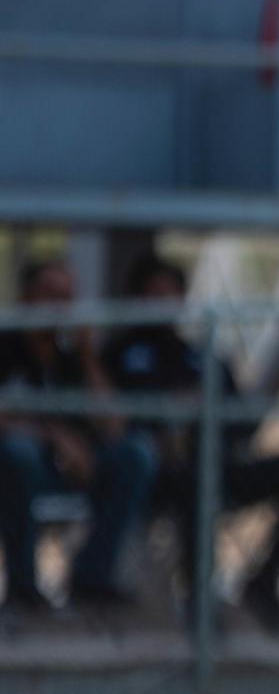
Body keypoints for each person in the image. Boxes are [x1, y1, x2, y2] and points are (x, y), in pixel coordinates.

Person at [102, 252, 279, 636]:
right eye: (153, 293)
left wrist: (206, 412)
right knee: (193, 486)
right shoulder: (116, 356)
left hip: (216, 464)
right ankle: (200, 600)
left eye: (170, 293)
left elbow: (241, 425)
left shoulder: (204, 358)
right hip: (155, 476)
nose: (162, 303)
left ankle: (264, 581)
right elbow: (109, 426)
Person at [0, 259, 156, 617]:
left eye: (67, 297)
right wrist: (53, 436)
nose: (59, 306)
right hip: (18, 469)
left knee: (135, 453)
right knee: (19, 453)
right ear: (26, 298)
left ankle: (91, 577)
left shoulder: (74, 358)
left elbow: (114, 424)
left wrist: (87, 358)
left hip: (74, 470)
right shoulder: (6, 345)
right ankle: (24, 588)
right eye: (49, 294)